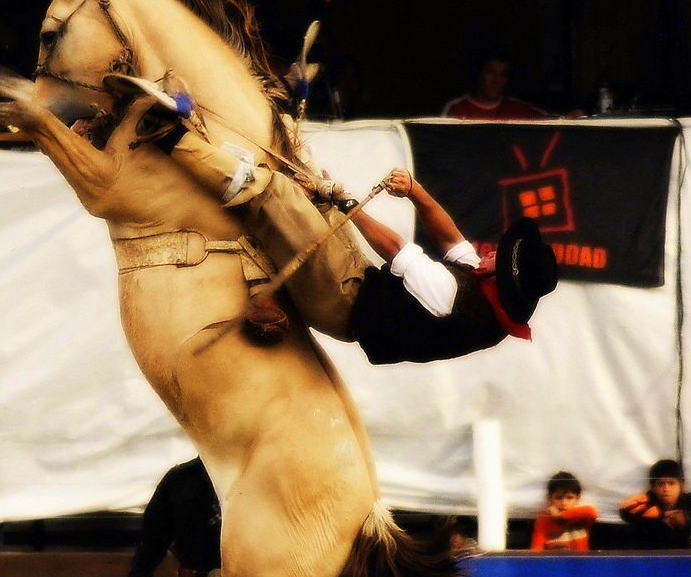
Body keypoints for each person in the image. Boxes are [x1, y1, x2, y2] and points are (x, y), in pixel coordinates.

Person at [122, 76, 558, 363]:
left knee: (277, 195)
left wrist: (346, 203)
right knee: (312, 183)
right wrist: (416, 191)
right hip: (361, 286)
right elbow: (451, 240)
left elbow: (395, 249)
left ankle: (167, 134)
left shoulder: (454, 299)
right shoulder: (486, 287)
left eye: (501, 254)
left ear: (502, 274)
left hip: (344, 304)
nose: (491, 249)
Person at [618, 459, 691, 550]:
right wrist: (662, 515)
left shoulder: (688, 502)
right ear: (652, 486)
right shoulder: (647, 501)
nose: (666, 489)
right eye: (661, 484)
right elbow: (625, 509)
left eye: (671, 483)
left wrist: (688, 518)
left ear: (681, 485)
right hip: (650, 559)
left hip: (682, 561)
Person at [442, 47, 549, 121]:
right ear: (478, 73)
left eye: (502, 75)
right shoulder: (456, 109)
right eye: (490, 72)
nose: (496, 80)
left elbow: (560, 122)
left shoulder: (520, 109)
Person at [531, 471, 597, 552]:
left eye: (569, 498)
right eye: (558, 498)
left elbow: (591, 512)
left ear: (578, 498)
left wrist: (562, 516)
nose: (564, 503)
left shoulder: (580, 517)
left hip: (580, 563)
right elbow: (536, 551)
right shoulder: (543, 520)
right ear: (550, 498)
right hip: (555, 563)